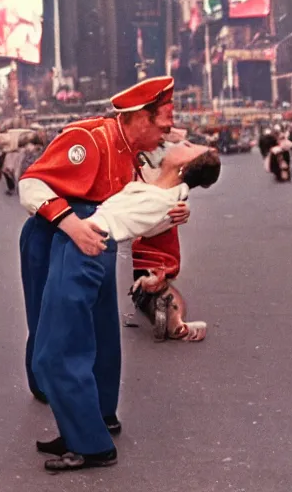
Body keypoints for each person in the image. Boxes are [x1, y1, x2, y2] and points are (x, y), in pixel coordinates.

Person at [17, 76, 189, 472]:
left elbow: (134, 204)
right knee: (60, 333)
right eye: (163, 122)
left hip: (92, 238)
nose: (168, 132)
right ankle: (85, 424)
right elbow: (31, 184)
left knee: (100, 333)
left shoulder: (133, 149)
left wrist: (171, 211)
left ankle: (96, 420)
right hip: (58, 233)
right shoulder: (89, 139)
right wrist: (71, 225)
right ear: (138, 118)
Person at [118, 142, 222, 342]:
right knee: (157, 288)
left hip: (143, 252)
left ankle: (168, 312)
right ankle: (172, 316)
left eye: (189, 147)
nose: (183, 144)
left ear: (182, 166)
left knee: (153, 286)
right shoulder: (167, 184)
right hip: (154, 258)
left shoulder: (160, 183)